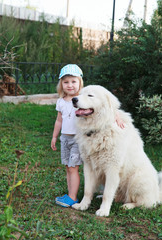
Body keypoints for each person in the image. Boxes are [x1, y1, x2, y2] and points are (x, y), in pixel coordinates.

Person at [51, 64, 124, 208]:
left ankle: (72, 196)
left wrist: (118, 117)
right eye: (66, 82)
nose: (70, 85)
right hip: (66, 139)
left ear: (79, 83)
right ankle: (72, 193)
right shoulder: (62, 102)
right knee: (68, 167)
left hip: (77, 140)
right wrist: (54, 137)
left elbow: (108, 107)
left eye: (73, 81)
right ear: (61, 84)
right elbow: (59, 120)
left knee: (73, 168)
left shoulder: (83, 97)